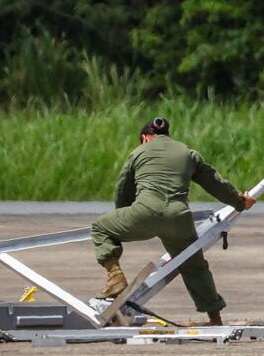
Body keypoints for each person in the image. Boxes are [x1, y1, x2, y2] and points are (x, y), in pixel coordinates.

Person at [90, 116, 253, 324]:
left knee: (100, 228)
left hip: (144, 213)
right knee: (194, 265)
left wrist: (125, 219)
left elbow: (123, 190)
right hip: (179, 218)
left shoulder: (138, 153)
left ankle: (115, 279)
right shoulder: (187, 152)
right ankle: (215, 318)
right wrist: (240, 202)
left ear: (145, 138)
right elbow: (213, 182)